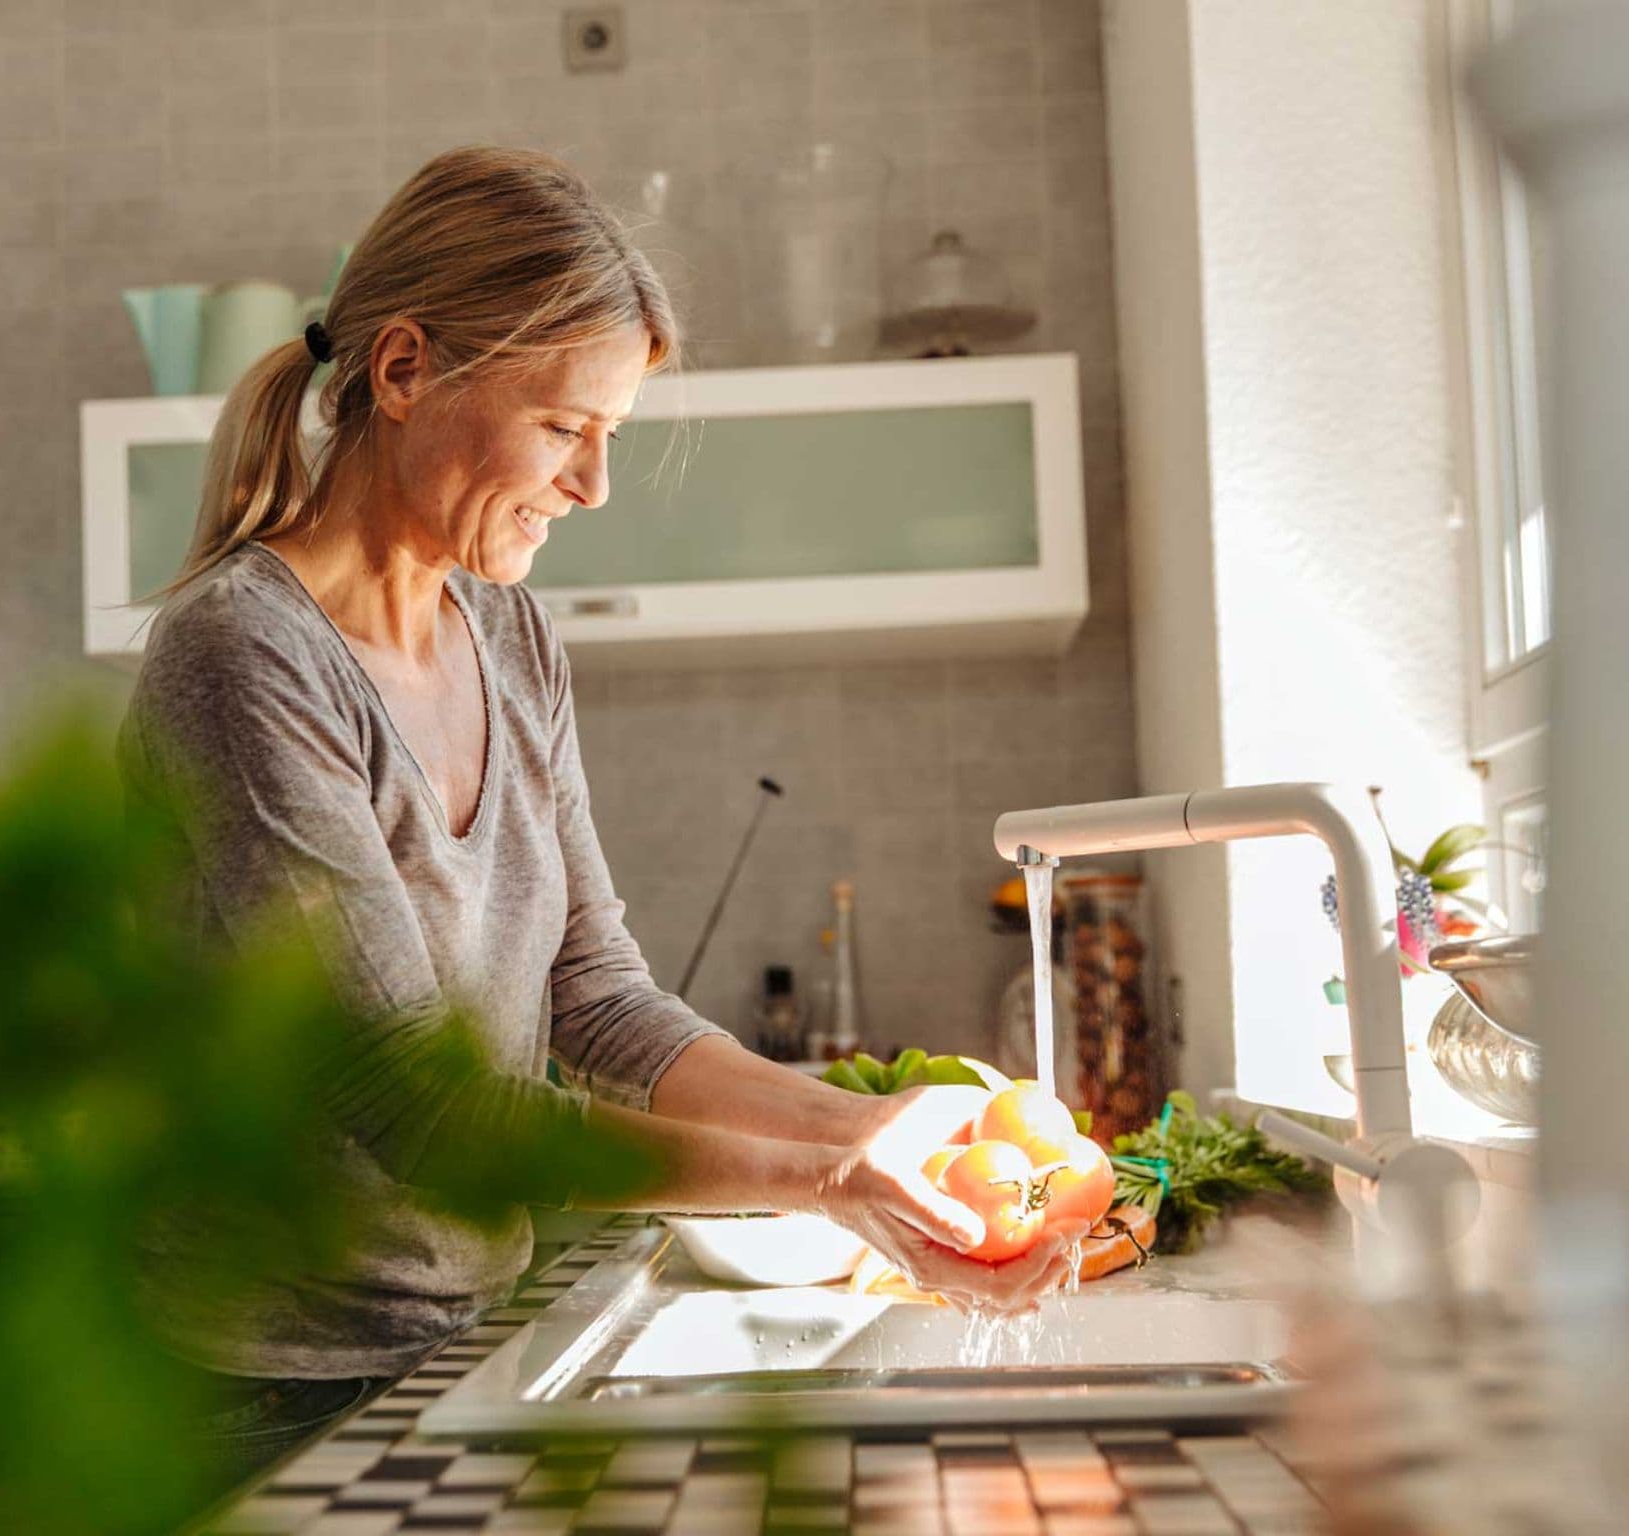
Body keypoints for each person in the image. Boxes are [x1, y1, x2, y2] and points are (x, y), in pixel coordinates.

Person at [116, 146, 1073, 1489]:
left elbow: (599, 998)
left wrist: (862, 1130)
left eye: (609, 437)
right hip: (254, 1393)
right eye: (567, 427)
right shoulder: (241, 657)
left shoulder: (507, 636)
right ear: (402, 374)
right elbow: (428, 1113)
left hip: (455, 1347)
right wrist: (823, 1186)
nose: (594, 486)